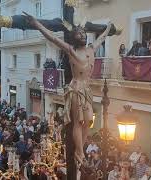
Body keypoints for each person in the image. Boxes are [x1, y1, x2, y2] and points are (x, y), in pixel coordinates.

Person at [23, 11, 115, 165]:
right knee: (79, 121)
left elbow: (102, 37)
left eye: (84, 33)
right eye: (79, 34)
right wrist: (37, 24)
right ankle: (79, 152)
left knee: (88, 121)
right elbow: (52, 37)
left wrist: (108, 29)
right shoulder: (71, 50)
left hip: (87, 89)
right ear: (74, 38)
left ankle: (79, 150)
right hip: (75, 88)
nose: (83, 35)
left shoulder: (92, 48)